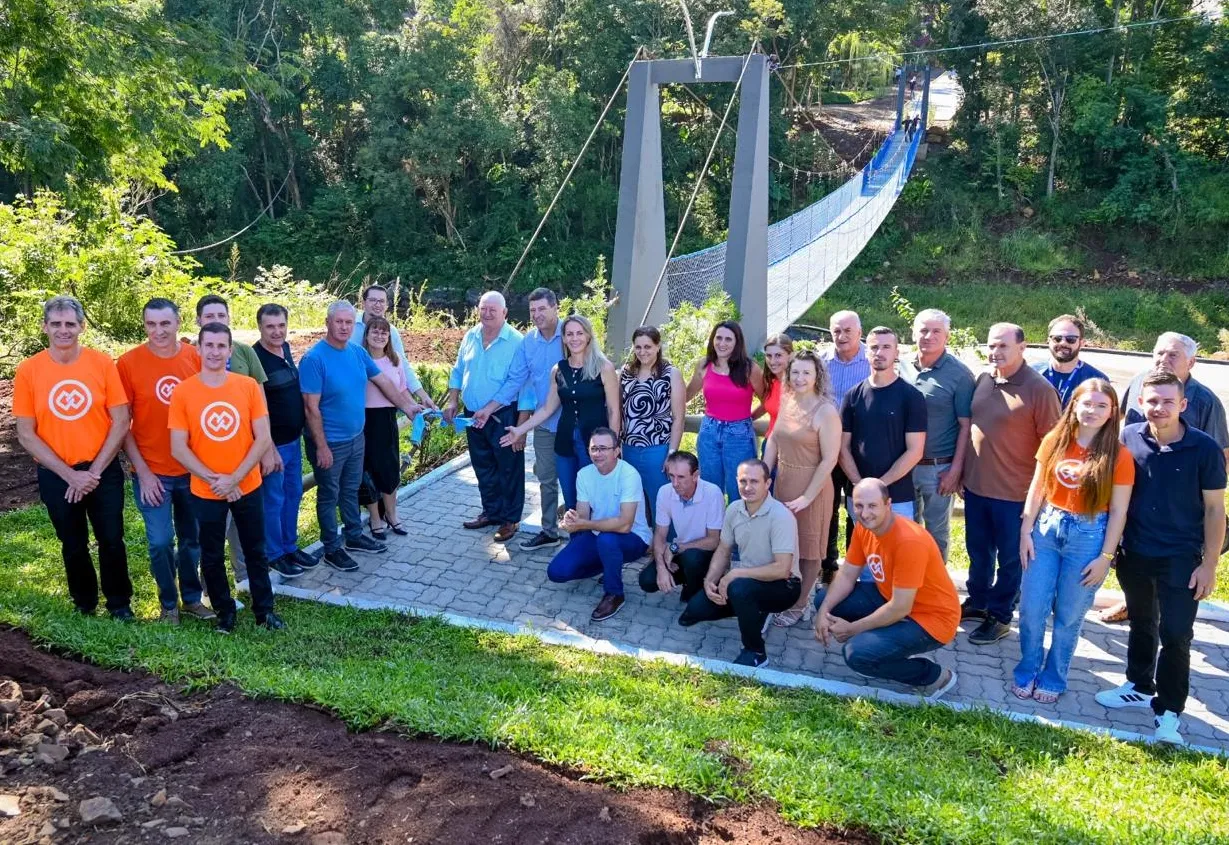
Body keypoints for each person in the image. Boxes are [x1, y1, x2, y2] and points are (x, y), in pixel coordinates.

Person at [1095, 370, 1226, 745]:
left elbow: (1216, 510)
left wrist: (1210, 565)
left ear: (1183, 405)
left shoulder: (1204, 449)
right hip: (1135, 553)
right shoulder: (1127, 438)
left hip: (1182, 559)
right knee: (1141, 622)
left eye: (1168, 401)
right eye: (1152, 401)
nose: (1159, 408)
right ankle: (1138, 685)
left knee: (1176, 635)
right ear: (1140, 404)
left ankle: (1169, 711)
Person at [14, 296, 133, 620]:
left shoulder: (102, 364)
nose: (63, 330)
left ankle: (120, 603)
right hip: (56, 472)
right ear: (44, 327)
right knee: (73, 541)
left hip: (102, 468)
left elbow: (121, 421)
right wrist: (71, 475)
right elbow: (26, 433)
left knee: (111, 538)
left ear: (81, 326)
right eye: (56, 324)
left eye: (70, 324)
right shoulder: (28, 371)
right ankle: (84, 602)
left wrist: (92, 473)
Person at [1014, 380, 1133, 703]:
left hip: (1090, 536)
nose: (1092, 411)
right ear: (1074, 405)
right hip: (1046, 530)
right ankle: (1027, 669)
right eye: (1087, 403)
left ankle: (1054, 677)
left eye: (1101, 406)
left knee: (1068, 615)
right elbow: (1036, 489)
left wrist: (1106, 557)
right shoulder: (1055, 440)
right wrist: (1026, 531)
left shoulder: (1119, 456)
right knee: (1031, 608)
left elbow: (1120, 511)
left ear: (1112, 413)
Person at [1101, 331, 1229, 625]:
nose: (1163, 360)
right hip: (1136, 494)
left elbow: (1220, 457)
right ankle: (1133, 604)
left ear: (1192, 363)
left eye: (1173, 355)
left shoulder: (1206, 401)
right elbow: (1123, 430)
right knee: (1136, 566)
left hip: (1180, 508)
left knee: (1174, 622)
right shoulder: (1138, 384)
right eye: (1159, 353)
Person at [169, 322, 284, 633]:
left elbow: (262, 438)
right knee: (211, 554)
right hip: (206, 490)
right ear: (199, 348)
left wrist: (235, 478)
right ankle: (224, 613)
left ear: (230, 350)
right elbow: (178, 447)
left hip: (247, 485)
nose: (216, 352)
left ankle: (265, 611)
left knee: (255, 550)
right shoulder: (184, 392)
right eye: (210, 345)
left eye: (222, 346)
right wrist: (216, 479)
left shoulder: (246, 387)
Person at [301, 301, 423, 571]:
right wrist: (321, 446)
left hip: (357, 437)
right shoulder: (314, 359)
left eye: (347, 322)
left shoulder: (357, 353)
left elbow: (384, 382)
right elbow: (311, 408)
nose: (344, 327)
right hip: (330, 442)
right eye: (338, 322)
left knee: (351, 489)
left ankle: (354, 536)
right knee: (329, 495)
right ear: (327, 323)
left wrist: (408, 406)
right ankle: (332, 548)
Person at [813, 478, 959, 699]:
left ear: (888, 504)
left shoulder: (909, 541)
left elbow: (900, 608)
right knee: (824, 600)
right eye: (859, 505)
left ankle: (934, 677)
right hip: (893, 599)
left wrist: (852, 629)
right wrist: (822, 614)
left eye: (872, 506)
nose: (865, 513)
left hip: (932, 619)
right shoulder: (863, 528)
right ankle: (881, 649)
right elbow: (846, 575)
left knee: (856, 653)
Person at [961, 323, 1061, 645]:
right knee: (977, 551)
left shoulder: (1039, 390)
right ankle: (978, 601)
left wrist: (1042, 495)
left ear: (1023, 347)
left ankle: (1001, 615)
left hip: (1014, 494)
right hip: (976, 488)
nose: (996, 352)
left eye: (1003, 346)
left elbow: (1053, 448)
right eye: (992, 346)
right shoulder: (984, 379)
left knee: (1010, 559)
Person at [117, 298, 211, 624]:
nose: (158, 331)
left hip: (191, 470)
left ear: (178, 323)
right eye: (151, 324)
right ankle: (168, 603)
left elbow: (207, 413)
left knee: (191, 540)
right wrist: (142, 472)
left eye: (165, 324)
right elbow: (122, 425)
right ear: (144, 325)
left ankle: (193, 598)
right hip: (152, 471)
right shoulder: (128, 364)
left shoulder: (195, 358)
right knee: (159, 542)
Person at [678, 459, 802, 668]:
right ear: (736, 481)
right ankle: (754, 612)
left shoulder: (780, 516)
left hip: (784, 585)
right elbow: (724, 549)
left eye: (754, 481)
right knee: (696, 609)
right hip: (748, 581)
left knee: (740, 589)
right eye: (743, 481)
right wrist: (710, 581)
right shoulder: (734, 509)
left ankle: (755, 652)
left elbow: (782, 569)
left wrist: (735, 574)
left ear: (767, 483)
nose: (748, 487)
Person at [499, 314, 620, 517]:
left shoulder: (603, 367)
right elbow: (547, 409)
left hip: (595, 444)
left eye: (579, 333)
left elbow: (614, 410)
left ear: (589, 336)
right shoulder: (558, 369)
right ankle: (576, 541)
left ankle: (593, 544)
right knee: (571, 500)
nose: (575, 338)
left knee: (592, 498)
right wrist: (520, 429)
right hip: (564, 443)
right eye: (569, 334)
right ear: (563, 338)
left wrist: (613, 446)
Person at [194, 294, 266, 592]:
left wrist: (263, 451)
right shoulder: (193, 364)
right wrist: (220, 479)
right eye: (209, 318)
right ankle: (210, 590)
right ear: (199, 322)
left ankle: (245, 579)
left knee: (245, 533)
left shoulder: (245, 357)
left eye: (220, 317)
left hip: (246, 463)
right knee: (211, 536)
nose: (215, 323)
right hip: (209, 471)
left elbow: (261, 412)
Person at [763, 350, 841, 625]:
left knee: (810, 550)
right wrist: (764, 475)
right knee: (786, 545)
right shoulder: (787, 401)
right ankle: (783, 594)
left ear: (817, 375)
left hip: (813, 486)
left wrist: (808, 497)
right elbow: (773, 439)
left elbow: (830, 458)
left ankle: (801, 604)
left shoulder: (826, 411)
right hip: (784, 480)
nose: (799, 378)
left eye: (806, 372)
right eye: (795, 372)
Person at [546, 428, 652, 621]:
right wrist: (572, 521)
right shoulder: (584, 474)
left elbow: (625, 525)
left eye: (603, 448)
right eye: (594, 449)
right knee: (556, 572)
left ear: (617, 450)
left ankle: (614, 594)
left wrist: (584, 524)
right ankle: (609, 563)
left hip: (634, 538)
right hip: (598, 534)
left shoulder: (629, 474)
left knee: (607, 541)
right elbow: (583, 515)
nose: (598, 454)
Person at [487, 288, 564, 551]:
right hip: (544, 422)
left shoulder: (572, 334)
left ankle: (583, 535)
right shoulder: (528, 343)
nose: (537, 315)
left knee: (578, 478)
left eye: (542, 309)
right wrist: (489, 408)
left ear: (555, 307)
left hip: (574, 423)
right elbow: (515, 381)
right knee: (545, 478)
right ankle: (550, 530)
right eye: (533, 310)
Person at [899, 308, 974, 561]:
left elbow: (966, 425)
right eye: (923, 330)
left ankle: (934, 592)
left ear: (947, 337)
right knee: (904, 531)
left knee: (936, 535)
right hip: (902, 465)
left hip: (937, 468)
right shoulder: (900, 367)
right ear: (912, 334)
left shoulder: (960, 375)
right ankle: (906, 588)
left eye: (936, 331)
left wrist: (955, 470)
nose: (928, 336)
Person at [252, 304, 316, 576]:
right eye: (270, 326)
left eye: (281, 325)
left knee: (294, 495)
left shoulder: (286, 350)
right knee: (274, 500)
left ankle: (290, 547)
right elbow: (256, 408)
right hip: (274, 446)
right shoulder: (256, 359)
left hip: (293, 441)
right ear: (260, 328)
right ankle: (274, 554)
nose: (277, 331)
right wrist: (267, 448)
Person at [838, 327, 927, 521]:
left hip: (898, 497)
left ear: (896, 352)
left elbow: (915, 451)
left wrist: (879, 487)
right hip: (860, 497)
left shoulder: (911, 397)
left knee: (899, 551)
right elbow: (842, 448)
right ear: (866, 352)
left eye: (886, 347)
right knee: (867, 551)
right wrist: (860, 486)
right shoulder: (853, 396)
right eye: (874, 347)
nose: (879, 352)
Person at [686, 321, 764, 502]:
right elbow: (688, 393)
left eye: (728, 339)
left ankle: (738, 529)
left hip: (739, 435)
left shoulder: (749, 368)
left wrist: (749, 418)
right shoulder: (704, 365)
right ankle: (714, 529)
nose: (722, 343)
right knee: (710, 488)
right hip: (709, 431)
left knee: (740, 489)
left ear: (737, 343)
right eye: (718, 338)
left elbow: (767, 400)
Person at [821, 310, 870, 576]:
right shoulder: (822, 362)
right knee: (827, 506)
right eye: (836, 331)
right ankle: (827, 563)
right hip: (826, 447)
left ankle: (855, 564)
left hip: (859, 449)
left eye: (847, 331)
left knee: (857, 505)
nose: (841, 336)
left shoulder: (871, 361)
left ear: (859, 332)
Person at [620, 326, 685, 522]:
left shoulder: (670, 373)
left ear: (658, 346)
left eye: (648, 346)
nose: (642, 352)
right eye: (638, 347)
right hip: (628, 448)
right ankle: (639, 543)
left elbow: (679, 417)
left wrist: (672, 453)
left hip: (657, 450)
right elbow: (617, 411)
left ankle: (665, 546)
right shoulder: (626, 372)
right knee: (632, 501)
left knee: (661, 502)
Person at [639, 451, 724, 601]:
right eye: (671, 476)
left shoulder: (712, 493)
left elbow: (713, 541)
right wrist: (661, 567)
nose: (675, 483)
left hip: (706, 554)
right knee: (647, 581)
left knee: (693, 558)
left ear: (696, 474)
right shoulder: (664, 492)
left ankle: (697, 590)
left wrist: (676, 548)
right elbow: (660, 534)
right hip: (681, 551)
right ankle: (688, 581)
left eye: (681, 477)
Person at [352, 284, 439, 411]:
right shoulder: (349, 325)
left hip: (385, 407)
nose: (377, 304)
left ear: (387, 305)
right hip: (352, 402)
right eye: (373, 300)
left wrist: (423, 396)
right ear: (363, 302)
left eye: (382, 301)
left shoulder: (392, 332)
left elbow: (402, 366)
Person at [360, 316, 408, 540]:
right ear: (367, 335)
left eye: (384, 333)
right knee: (368, 470)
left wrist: (412, 406)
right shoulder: (359, 359)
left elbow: (402, 390)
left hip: (386, 419)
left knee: (389, 468)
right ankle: (375, 518)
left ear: (389, 337)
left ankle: (391, 514)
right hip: (364, 420)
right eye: (375, 332)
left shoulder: (395, 360)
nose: (379, 336)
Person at [1032, 314, 1109, 407]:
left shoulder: (1097, 379)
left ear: (1081, 343)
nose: (1063, 343)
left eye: (1070, 339)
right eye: (1057, 338)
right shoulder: (1030, 374)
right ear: (1048, 340)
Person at [753, 333, 794, 444]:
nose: (772, 361)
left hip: (793, 447)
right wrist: (747, 419)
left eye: (778, 355)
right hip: (770, 442)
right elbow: (767, 404)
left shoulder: (799, 384)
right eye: (769, 356)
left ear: (790, 355)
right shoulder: (770, 382)